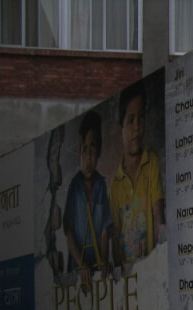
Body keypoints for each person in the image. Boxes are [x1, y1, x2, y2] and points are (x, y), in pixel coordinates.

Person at [110, 81, 165, 269]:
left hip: (150, 269)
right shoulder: (116, 184)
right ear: (121, 130)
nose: (137, 127)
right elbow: (115, 236)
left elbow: (158, 215)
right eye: (130, 120)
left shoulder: (151, 162)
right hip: (128, 275)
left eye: (140, 118)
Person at [63, 110, 112, 292]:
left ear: (98, 151)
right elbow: (68, 232)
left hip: (97, 273)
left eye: (93, 148)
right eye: (85, 149)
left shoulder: (100, 185)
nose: (89, 157)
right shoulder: (74, 188)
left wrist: (104, 263)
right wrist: (81, 265)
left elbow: (105, 231)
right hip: (78, 272)